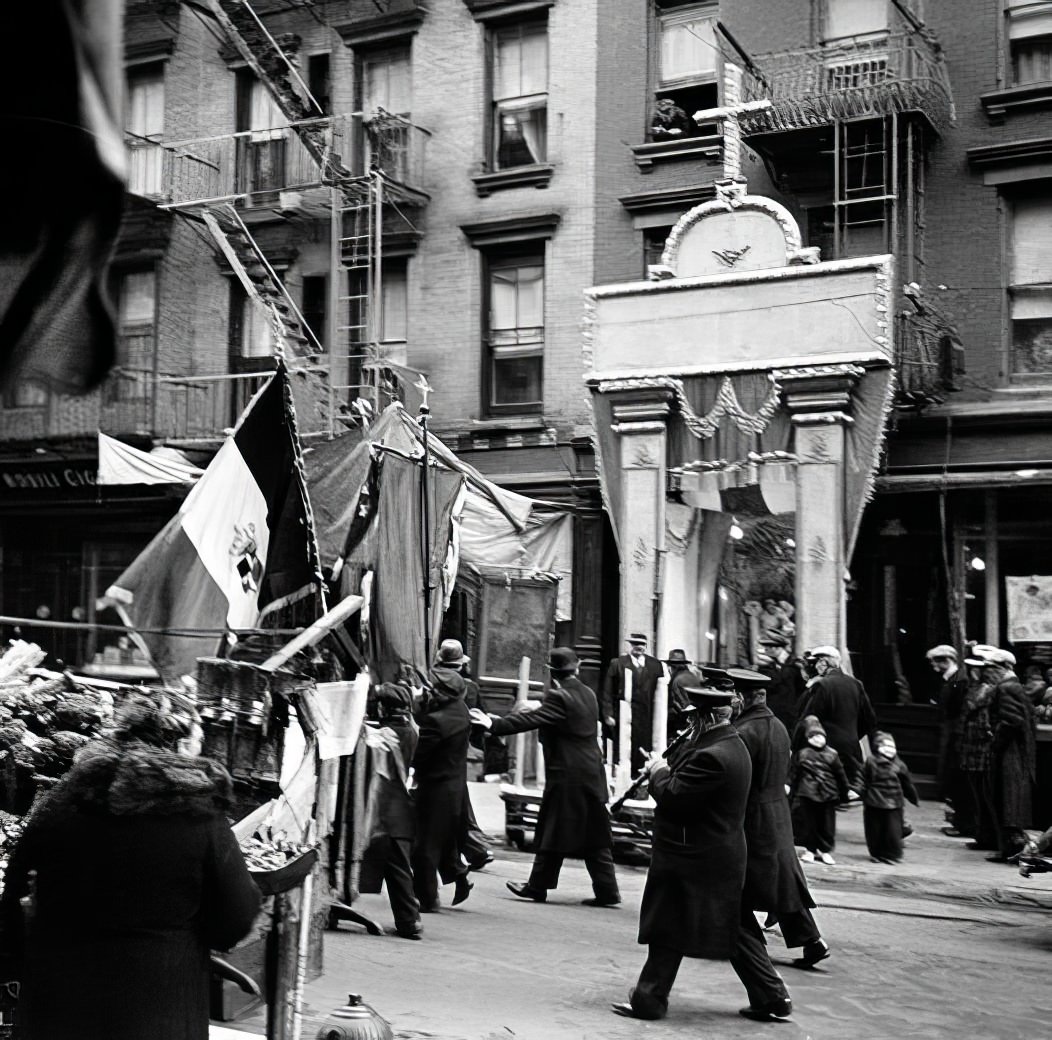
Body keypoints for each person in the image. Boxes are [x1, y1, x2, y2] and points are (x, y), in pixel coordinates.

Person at [0, 689, 261, 1040]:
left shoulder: (67, 798)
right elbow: (236, 917)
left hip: (59, 1005)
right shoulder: (200, 816)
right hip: (158, 1006)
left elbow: (14, 896)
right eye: (199, 739)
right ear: (181, 745)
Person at [611, 681, 792, 1023]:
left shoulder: (714, 755)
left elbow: (675, 797)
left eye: (693, 719)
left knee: (669, 925)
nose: (688, 725)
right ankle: (772, 996)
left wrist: (658, 771)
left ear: (706, 718)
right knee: (736, 928)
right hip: (715, 855)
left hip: (696, 858)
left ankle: (649, 1000)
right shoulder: (727, 743)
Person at [471, 647, 620, 908]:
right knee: (594, 833)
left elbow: (533, 720)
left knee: (554, 828)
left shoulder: (559, 697)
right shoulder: (589, 694)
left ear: (553, 673)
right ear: (577, 668)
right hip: (592, 772)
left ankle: (538, 886)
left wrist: (494, 725)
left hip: (567, 774)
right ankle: (607, 890)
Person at [730, 669, 830, 968]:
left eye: (735, 696)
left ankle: (750, 946)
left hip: (754, 818)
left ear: (743, 697)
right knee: (781, 883)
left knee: (740, 881)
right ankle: (812, 941)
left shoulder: (744, 731)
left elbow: (738, 779)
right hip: (777, 814)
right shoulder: (777, 725)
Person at [360, 682, 424, 940]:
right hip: (400, 810)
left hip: (384, 810)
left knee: (396, 868)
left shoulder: (386, 736)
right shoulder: (411, 730)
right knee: (398, 869)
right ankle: (409, 921)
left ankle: (410, 921)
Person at [411, 661, 473, 911]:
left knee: (424, 846)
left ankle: (427, 899)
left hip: (436, 788)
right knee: (444, 840)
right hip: (454, 786)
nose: (430, 692)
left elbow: (419, 757)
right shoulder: (461, 710)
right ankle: (458, 876)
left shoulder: (436, 721)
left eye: (434, 689)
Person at [435, 639, 495, 871]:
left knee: (452, 803)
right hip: (458, 749)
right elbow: (480, 720)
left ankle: (472, 850)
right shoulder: (470, 688)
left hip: (435, 747)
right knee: (457, 801)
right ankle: (473, 849)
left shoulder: (430, 680)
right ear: (460, 665)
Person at [978, 647, 1037, 863]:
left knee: (1007, 801)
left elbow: (1012, 720)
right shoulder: (1013, 686)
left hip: (1010, 754)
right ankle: (1010, 849)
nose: (987, 673)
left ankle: (1014, 849)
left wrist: (995, 741)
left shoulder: (1006, 688)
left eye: (991, 668)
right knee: (1008, 801)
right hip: (1015, 752)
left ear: (1005, 667)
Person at [793, 646, 877, 786]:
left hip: (825, 753)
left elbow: (808, 720)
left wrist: (794, 746)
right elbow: (869, 720)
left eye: (818, 662)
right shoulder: (856, 684)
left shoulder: (822, 685)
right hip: (851, 750)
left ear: (823, 663)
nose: (817, 666)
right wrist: (853, 735)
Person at [789, 716, 851, 864]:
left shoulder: (832, 754)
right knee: (809, 824)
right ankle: (810, 850)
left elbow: (840, 775)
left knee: (827, 825)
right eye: (813, 736)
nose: (817, 739)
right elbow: (794, 773)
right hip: (807, 793)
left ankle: (825, 850)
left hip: (828, 794)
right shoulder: (802, 754)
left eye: (820, 736)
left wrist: (845, 791)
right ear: (808, 739)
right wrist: (788, 785)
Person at [927, 644, 974, 838]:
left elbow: (956, 710)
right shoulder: (952, 680)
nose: (932, 666)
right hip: (950, 733)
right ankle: (957, 819)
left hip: (955, 734)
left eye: (935, 662)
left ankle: (962, 822)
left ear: (946, 661)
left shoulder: (959, 681)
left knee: (956, 777)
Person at [602, 632, 664, 773]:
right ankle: (624, 774)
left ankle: (642, 773)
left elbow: (661, 690)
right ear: (629, 645)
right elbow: (607, 690)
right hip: (624, 713)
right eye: (635, 644)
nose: (638, 647)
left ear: (646, 646)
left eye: (641, 644)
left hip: (647, 714)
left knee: (644, 745)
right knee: (624, 746)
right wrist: (608, 714)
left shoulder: (655, 665)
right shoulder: (618, 663)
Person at [856, 731, 919, 864]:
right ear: (878, 748)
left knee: (893, 831)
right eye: (886, 747)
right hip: (874, 801)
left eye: (892, 747)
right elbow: (862, 778)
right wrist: (857, 790)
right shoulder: (871, 762)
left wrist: (913, 797)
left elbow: (906, 783)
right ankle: (877, 853)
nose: (890, 750)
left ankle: (892, 854)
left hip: (894, 802)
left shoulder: (899, 765)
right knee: (875, 830)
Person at [958, 653, 999, 853]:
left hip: (980, 748)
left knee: (982, 794)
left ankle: (985, 835)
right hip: (973, 747)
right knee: (977, 793)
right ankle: (982, 834)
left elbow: (972, 705)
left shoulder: (985, 689)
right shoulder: (979, 688)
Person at [757, 631, 805, 732]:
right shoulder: (767, 666)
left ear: (777, 648)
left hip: (790, 716)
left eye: (767, 649)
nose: (764, 651)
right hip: (772, 714)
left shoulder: (795, 665)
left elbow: (801, 690)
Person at [663, 648, 699, 740]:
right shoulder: (692, 676)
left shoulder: (676, 680)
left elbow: (680, 705)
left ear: (671, 667)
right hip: (695, 719)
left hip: (682, 722)